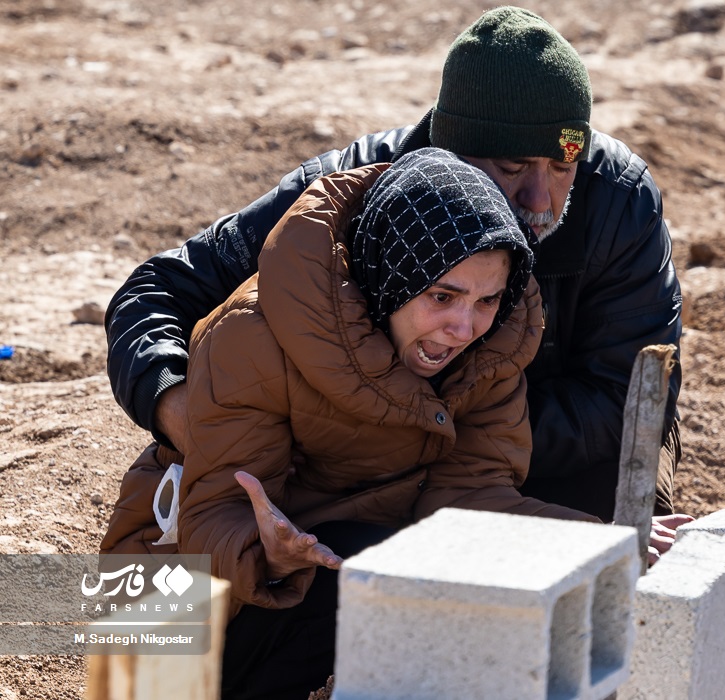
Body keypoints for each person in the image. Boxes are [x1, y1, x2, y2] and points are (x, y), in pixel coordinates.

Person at [105, 6, 683, 524]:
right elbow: (157, 290)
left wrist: (443, 438)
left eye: (561, 169)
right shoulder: (344, 196)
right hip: (354, 466)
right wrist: (178, 408)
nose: (540, 200)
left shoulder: (618, 198)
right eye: (511, 168)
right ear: (450, 147)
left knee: (624, 562)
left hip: (542, 453)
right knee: (276, 580)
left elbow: (631, 394)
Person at [103, 148, 626, 699]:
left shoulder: (490, 347)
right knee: (362, 568)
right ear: (391, 275)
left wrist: (592, 541)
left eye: (487, 299)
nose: (463, 326)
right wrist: (269, 554)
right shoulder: (254, 336)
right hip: (176, 606)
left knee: (424, 579)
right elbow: (216, 514)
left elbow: (467, 498)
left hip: (325, 560)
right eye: (442, 296)